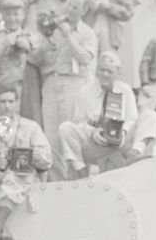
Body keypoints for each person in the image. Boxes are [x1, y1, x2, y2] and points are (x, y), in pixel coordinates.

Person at [28, 0, 97, 179]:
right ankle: (56, 183)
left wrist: (69, 37)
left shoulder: (87, 33)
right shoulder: (54, 30)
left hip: (73, 84)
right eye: (69, 5)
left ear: (83, 10)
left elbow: (85, 59)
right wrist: (43, 42)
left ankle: (76, 182)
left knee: (70, 136)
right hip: (50, 84)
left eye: (75, 7)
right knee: (51, 139)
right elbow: (36, 59)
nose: (70, 10)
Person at [0, 82, 51, 240]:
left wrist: (37, 157)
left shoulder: (31, 127)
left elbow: (46, 158)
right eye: (2, 102)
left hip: (23, 176)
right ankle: (2, 228)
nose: (7, 106)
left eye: (10, 101)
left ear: (16, 102)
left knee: (17, 174)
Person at [58, 50, 145, 179]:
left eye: (110, 71)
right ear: (96, 71)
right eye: (102, 70)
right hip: (95, 144)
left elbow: (132, 119)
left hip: (121, 143)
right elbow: (78, 122)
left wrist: (124, 132)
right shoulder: (84, 92)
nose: (105, 74)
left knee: (150, 116)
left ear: (118, 73)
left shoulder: (126, 90)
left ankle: (135, 154)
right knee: (65, 128)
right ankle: (80, 171)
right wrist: (92, 132)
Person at [0, 0, 38, 92]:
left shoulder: (33, 38)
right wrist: (3, 46)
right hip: (3, 90)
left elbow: (42, 65)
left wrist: (28, 50)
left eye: (16, 14)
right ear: (2, 15)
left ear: (24, 15)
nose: (12, 18)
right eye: (8, 14)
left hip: (27, 91)